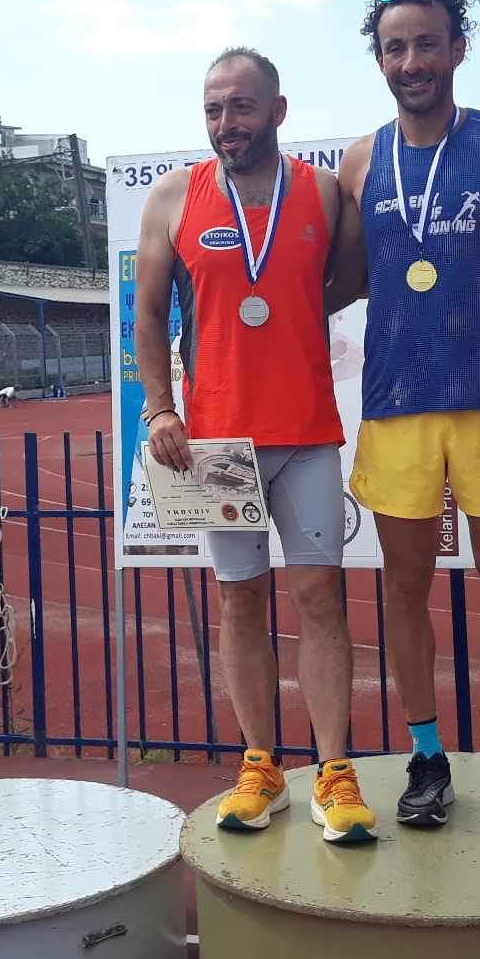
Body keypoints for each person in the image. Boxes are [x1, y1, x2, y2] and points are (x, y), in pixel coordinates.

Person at [134, 48, 376, 844]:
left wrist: (289, 312)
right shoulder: (174, 197)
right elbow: (148, 314)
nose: (225, 124)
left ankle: (334, 772)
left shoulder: (324, 193)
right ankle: (261, 766)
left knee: (320, 599)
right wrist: (160, 409)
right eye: (213, 110)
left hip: (304, 432)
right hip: (218, 442)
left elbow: (346, 280)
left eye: (241, 107)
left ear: (277, 110)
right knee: (239, 599)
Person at [331, 0, 480, 827]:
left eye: (427, 43)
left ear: (458, 48)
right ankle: (425, 757)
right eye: (396, 47)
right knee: (403, 587)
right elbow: (345, 279)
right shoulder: (359, 162)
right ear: (380, 60)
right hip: (395, 401)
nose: (412, 61)